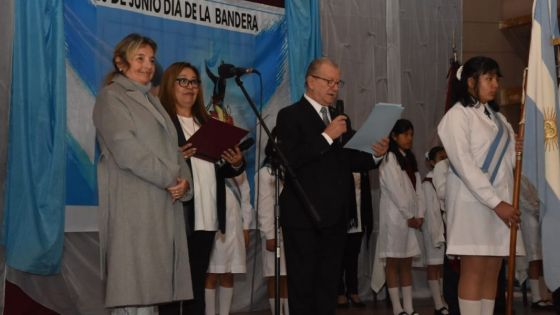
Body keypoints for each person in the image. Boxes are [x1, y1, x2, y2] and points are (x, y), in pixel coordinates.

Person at [275, 57, 389, 315]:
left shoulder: (338, 118)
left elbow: (352, 158)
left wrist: (376, 154)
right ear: (311, 81)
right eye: (329, 81)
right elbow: (291, 160)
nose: (335, 87)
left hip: (335, 217)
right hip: (303, 216)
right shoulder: (291, 115)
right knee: (303, 286)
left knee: (328, 286)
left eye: (338, 82)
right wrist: (327, 136)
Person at [92, 33, 193, 314]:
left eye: (151, 59)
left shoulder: (153, 101)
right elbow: (128, 151)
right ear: (120, 62)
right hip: (132, 210)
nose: (148, 65)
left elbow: (174, 150)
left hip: (161, 209)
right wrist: (170, 179)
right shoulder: (111, 97)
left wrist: (185, 184)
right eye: (140, 58)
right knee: (131, 297)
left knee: (149, 298)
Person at [437, 56, 524, 315]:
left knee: (492, 270)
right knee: (474, 268)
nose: (495, 84)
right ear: (471, 82)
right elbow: (464, 164)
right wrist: (496, 203)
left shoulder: (499, 118)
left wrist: (516, 150)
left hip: (500, 205)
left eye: (496, 78)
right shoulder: (456, 116)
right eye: (489, 78)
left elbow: (507, 165)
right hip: (472, 204)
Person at [158, 61, 245, 315]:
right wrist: (175, 156)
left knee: (196, 285)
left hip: (207, 216)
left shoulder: (206, 122)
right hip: (180, 214)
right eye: (183, 81)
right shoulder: (162, 123)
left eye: (194, 82)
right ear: (169, 85)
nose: (190, 87)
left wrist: (237, 163)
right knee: (173, 289)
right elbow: (153, 162)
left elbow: (220, 167)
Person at [377, 118, 425, 315]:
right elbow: (396, 191)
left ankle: (409, 307)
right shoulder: (388, 158)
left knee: (406, 262)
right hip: (395, 218)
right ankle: (397, 308)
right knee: (393, 262)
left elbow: (418, 189)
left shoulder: (410, 158)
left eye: (411, 134)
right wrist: (408, 215)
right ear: (394, 136)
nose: (409, 138)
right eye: (405, 134)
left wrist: (420, 214)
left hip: (411, 219)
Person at [205, 171, 253, 315]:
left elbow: (245, 198)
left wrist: (246, 228)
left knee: (229, 272)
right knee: (211, 273)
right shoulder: (211, 165)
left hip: (235, 228)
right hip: (214, 226)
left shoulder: (239, 168)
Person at [256, 129, 289, 315]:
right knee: (274, 275)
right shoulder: (266, 172)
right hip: (273, 231)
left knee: (287, 275)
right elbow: (265, 206)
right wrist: (269, 234)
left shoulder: (289, 169)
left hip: (290, 231)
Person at [336, 171, 371, 309]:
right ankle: (339, 293)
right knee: (339, 259)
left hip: (359, 221)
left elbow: (366, 197)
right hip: (341, 220)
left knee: (353, 259)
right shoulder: (340, 168)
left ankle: (353, 291)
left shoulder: (363, 171)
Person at [518, 175, 553, 309]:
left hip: (543, 213)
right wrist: (537, 207)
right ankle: (536, 297)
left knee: (544, 256)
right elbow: (524, 195)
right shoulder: (523, 171)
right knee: (534, 255)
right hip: (527, 214)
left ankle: (545, 295)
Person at [421, 146, 449, 315]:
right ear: (432, 162)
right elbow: (431, 212)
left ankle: (443, 299)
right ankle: (438, 304)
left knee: (442, 267)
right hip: (434, 229)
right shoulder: (428, 183)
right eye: (440, 157)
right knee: (434, 265)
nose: (444, 160)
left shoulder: (448, 179)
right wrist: (437, 234)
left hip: (446, 228)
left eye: (446, 157)